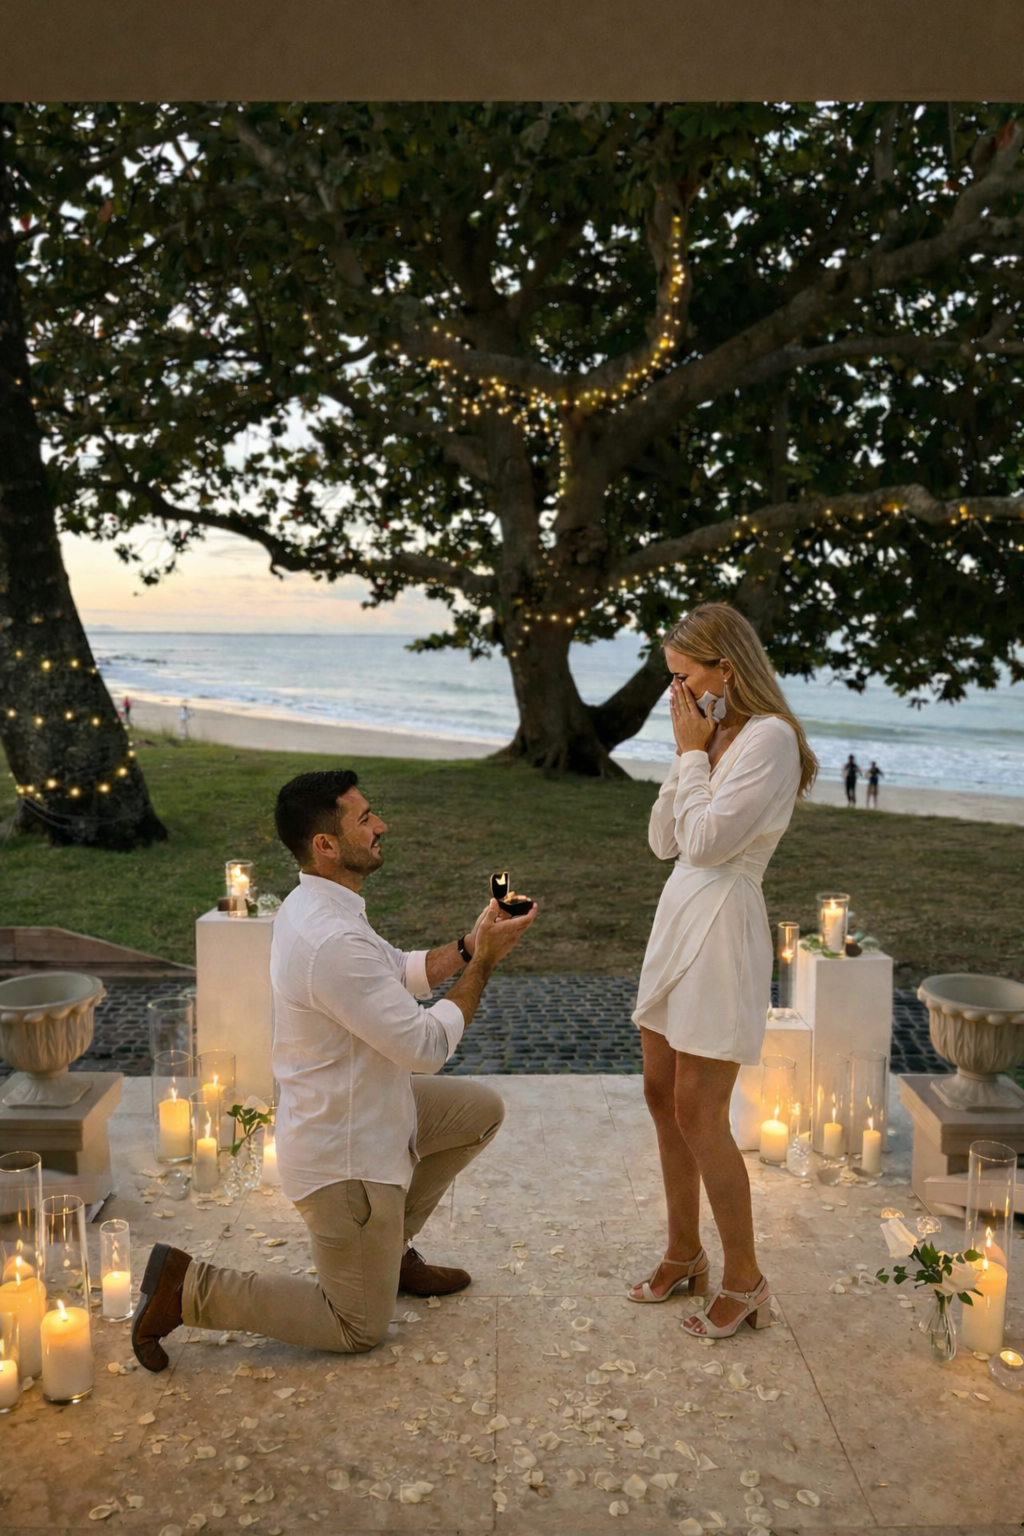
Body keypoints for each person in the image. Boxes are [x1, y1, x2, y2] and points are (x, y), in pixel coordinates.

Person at [131, 768, 537, 1369]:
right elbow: (425, 1048)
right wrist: (485, 967)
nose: (381, 826)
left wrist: (470, 945)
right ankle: (187, 1288)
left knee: (479, 1112)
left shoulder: (319, 903)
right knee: (356, 1326)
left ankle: (389, 1249)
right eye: (365, 819)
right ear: (325, 844)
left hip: (368, 1109)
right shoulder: (330, 940)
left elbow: (400, 970)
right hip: (344, 1157)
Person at [629, 603, 817, 1339]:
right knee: (660, 1094)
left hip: (721, 922)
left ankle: (746, 1277)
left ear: (726, 668)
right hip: (678, 914)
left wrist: (691, 757)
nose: (675, 693)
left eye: (683, 677)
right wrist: (690, 752)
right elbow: (662, 840)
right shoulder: (708, 736)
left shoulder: (770, 738)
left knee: (699, 1111)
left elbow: (706, 844)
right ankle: (684, 1253)